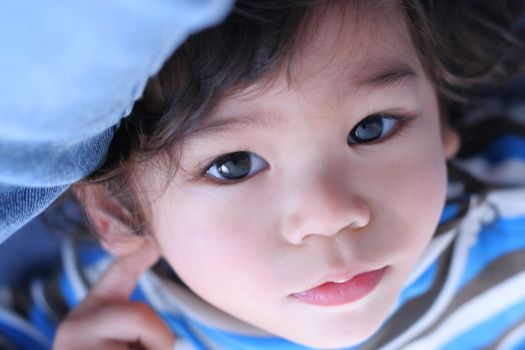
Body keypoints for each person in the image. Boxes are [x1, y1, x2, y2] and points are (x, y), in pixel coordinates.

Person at [2, 0, 525, 349]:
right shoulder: (110, 322)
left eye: (372, 127)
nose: (331, 216)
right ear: (120, 210)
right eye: (234, 166)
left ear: (442, 118)